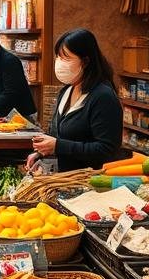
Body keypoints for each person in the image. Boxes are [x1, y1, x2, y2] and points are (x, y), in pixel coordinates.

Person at [28, 29, 123, 172]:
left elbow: (107, 149)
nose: (59, 63)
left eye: (66, 58)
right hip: (65, 178)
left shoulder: (103, 96)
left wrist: (58, 146)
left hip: (90, 179)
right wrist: (42, 151)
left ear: (85, 61)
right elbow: (57, 135)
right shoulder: (66, 91)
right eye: (58, 57)